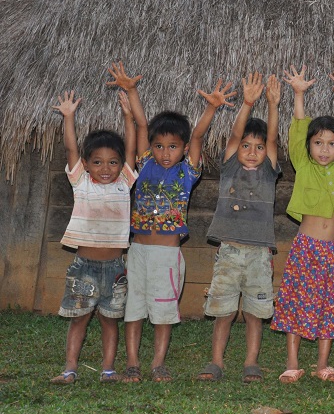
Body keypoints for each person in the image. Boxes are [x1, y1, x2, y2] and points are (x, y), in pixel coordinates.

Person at [106, 61, 236, 382]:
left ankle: (158, 364)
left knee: (163, 313)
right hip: (137, 252)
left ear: (183, 149)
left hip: (166, 255)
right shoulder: (144, 163)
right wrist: (132, 89)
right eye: (160, 146)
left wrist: (211, 107)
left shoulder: (187, 172)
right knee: (134, 311)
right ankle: (133, 364)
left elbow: (199, 134)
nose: (166, 153)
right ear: (151, 146)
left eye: (173, 147)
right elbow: (140, 120)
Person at [270, 64, 334, 383]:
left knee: (331, 305)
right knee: (297, 302)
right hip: (305, 248)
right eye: (319, 143)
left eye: (332, 144)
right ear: (309, 147)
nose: (325, 149)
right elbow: (298, 128)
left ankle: (323, 364)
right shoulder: (304, 166)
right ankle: (292, 362)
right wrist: (298, 95)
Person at [196, 72, 281, 383]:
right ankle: (215, 362)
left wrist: (273, 105)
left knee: (255, 313)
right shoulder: (230, 166)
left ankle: (251, 363)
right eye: (246, 145)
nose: (252, 151)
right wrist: (247, 103)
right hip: (229, 250)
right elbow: (233, 135)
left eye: (258, 147)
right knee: (224, 311)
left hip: (259, 253)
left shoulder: (270, 171)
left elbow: (272, 138)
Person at [50, 89, 138, 384]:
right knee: (79, 320)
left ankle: (108, 370)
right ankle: (69, 369)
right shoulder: (81, 183)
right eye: (97, 162)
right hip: (83, 267)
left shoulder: (124, 184)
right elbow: (71, 149)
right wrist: (69, 117)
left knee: (109, 322)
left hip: (115, 270)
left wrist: (128, 117)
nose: (105, 168)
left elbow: (131, 150)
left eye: (112, 162)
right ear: (86, 164)